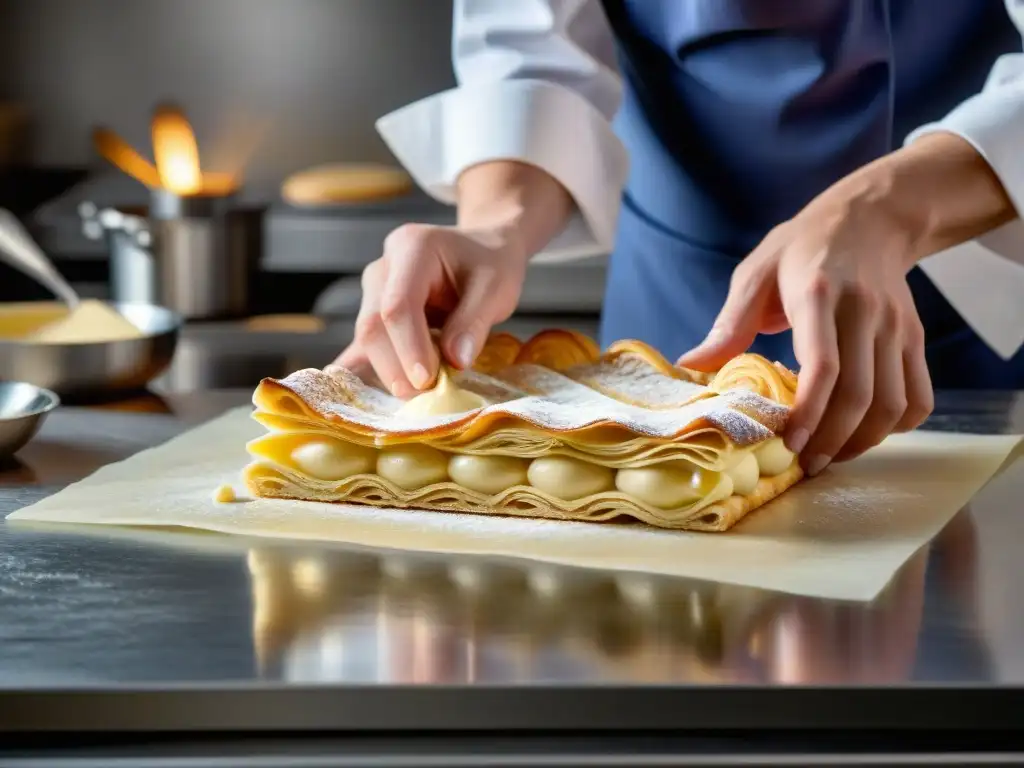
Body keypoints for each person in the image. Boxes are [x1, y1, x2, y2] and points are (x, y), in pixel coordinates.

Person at [337, 0, 1024, 478]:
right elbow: (531, 52)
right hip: (671, 315)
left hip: (974, 308)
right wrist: (496, 224)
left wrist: (890, 209)